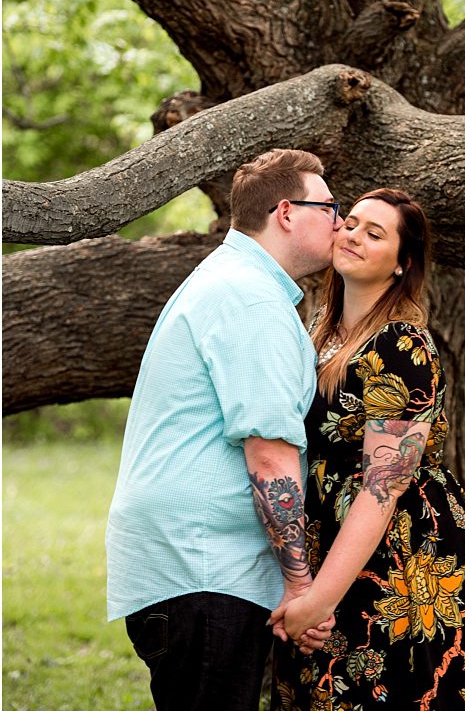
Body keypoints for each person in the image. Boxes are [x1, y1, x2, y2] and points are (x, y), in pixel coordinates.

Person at [106, 149, 342, 711]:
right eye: (331, 207)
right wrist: (302, 586)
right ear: (286, 212)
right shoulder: (251, 299)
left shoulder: (230, 280)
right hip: (206, 570)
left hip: (192, 568)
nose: (341, 222)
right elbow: (269, 458)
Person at [270, 187, 465, 712]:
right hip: (329, 540)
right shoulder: (319, 329)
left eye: (375, 234)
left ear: (402, 264)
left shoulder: (401, 345)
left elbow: (382, 490)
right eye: (349, 223)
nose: (353, 236)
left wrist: (316, 601)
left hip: (403, 550)